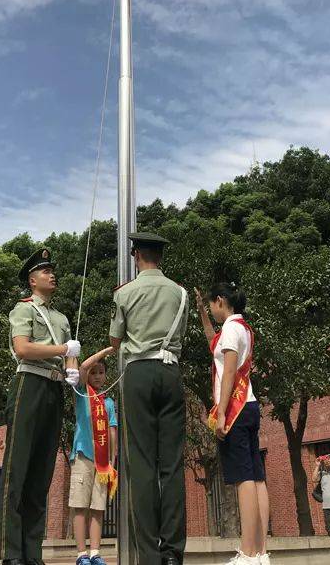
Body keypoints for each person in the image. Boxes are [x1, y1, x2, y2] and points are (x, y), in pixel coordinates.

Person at [0, 248, 82, 565]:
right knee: (17, 470)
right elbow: (23, 348)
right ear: (33, 280)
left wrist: (72, 368)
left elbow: (71, 353)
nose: (52, 274)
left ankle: (33, 554)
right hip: (28, 385)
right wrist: (64, 349)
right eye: (45, 271)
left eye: (52, 270)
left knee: (41, 475)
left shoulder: (61, 318)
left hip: (53, 388)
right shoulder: (23, 309)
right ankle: (11, 554)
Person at [109, 232, 189, 565]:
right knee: (171, 465)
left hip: (139, 374)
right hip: (171, 372)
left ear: (136, 255)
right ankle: (173, 553)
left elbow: (115, 341)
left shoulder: (125, 294)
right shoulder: (180, 293)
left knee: (141, 464)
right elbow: (181, 335)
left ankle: (150, 556)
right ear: (160, 257)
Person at [195, 283, 270, 565]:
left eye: (211, 305)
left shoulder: (230, 329)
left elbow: (227, 374)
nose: (212, 311)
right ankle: (261, 553)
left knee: (244, 479)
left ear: (221, 301)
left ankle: (248, 553)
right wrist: (201, 314)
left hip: (235, 411)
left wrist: (222, 413)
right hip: (249, 406)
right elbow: (213, 344)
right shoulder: (243, 328)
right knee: (257, 478)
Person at [69, 346, 118, 565]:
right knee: (80, 506)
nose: (97, 376)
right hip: (82, 456)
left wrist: (112, 462)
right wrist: (105, 352)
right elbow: (82, 367)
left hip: (102, 464)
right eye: (94, 372)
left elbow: (112, 432)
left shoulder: (109, 403)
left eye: (101, 372)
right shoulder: (81, 393)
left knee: (98, 508)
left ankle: (95, 553)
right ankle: (81, 554)